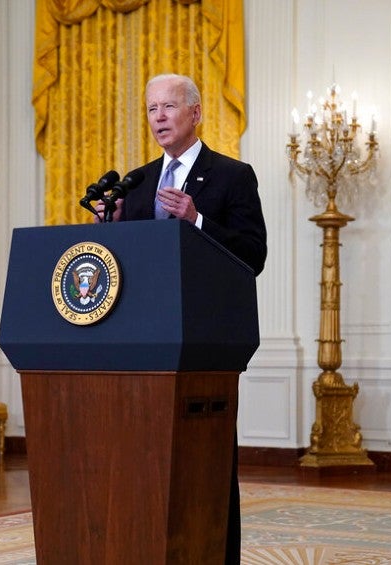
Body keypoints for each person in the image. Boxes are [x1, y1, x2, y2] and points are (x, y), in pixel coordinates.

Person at [97, 73, 267, 565]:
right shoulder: (139, 180)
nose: (159, 118)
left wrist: (196, 219)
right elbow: (125, 262)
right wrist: (108, 230)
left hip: (202, 342)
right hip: (139, 342)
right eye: (151, 109)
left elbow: (253, 255)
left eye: (168, 107)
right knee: (140, 460)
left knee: (204, 465)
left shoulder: (233, 176)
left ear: (195, 113)